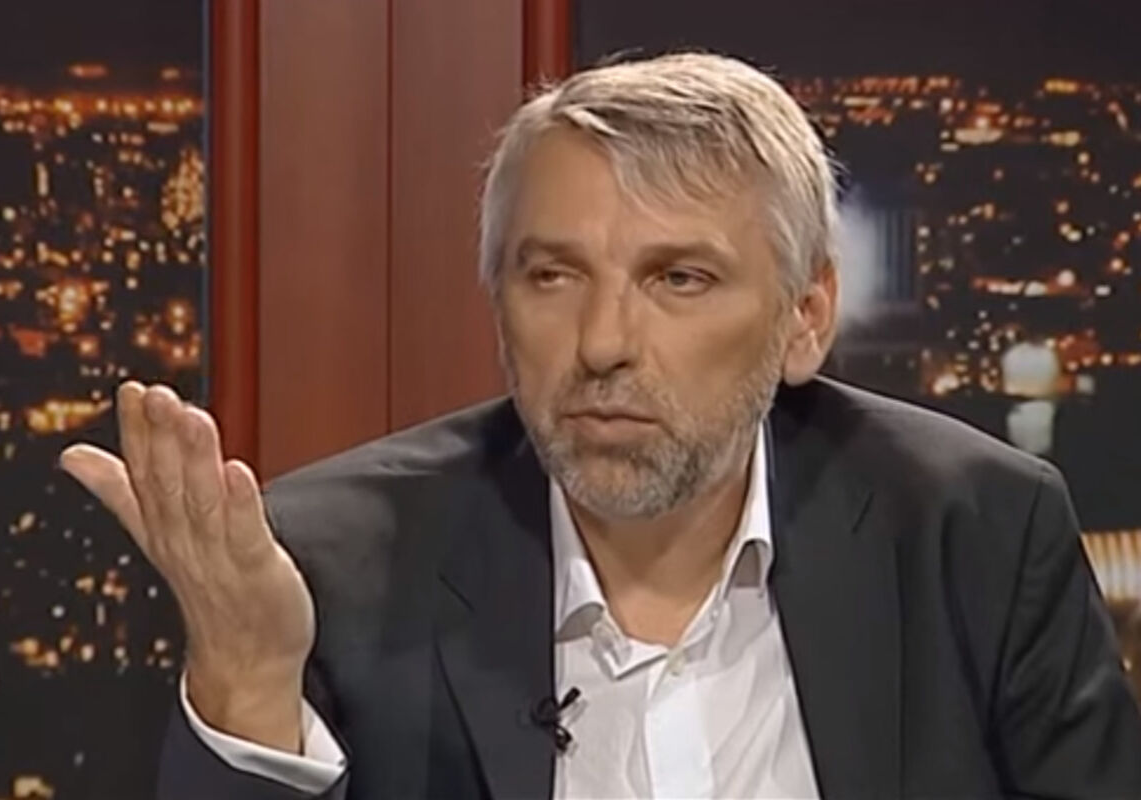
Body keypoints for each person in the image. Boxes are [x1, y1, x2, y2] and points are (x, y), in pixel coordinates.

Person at [60, 53, 1141, 799]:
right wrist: (250, 682)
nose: (603, 342)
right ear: (498, 301)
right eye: (553, 275)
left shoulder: (972, 531)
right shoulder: (333, 566)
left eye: (678, 278)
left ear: (805, 317)